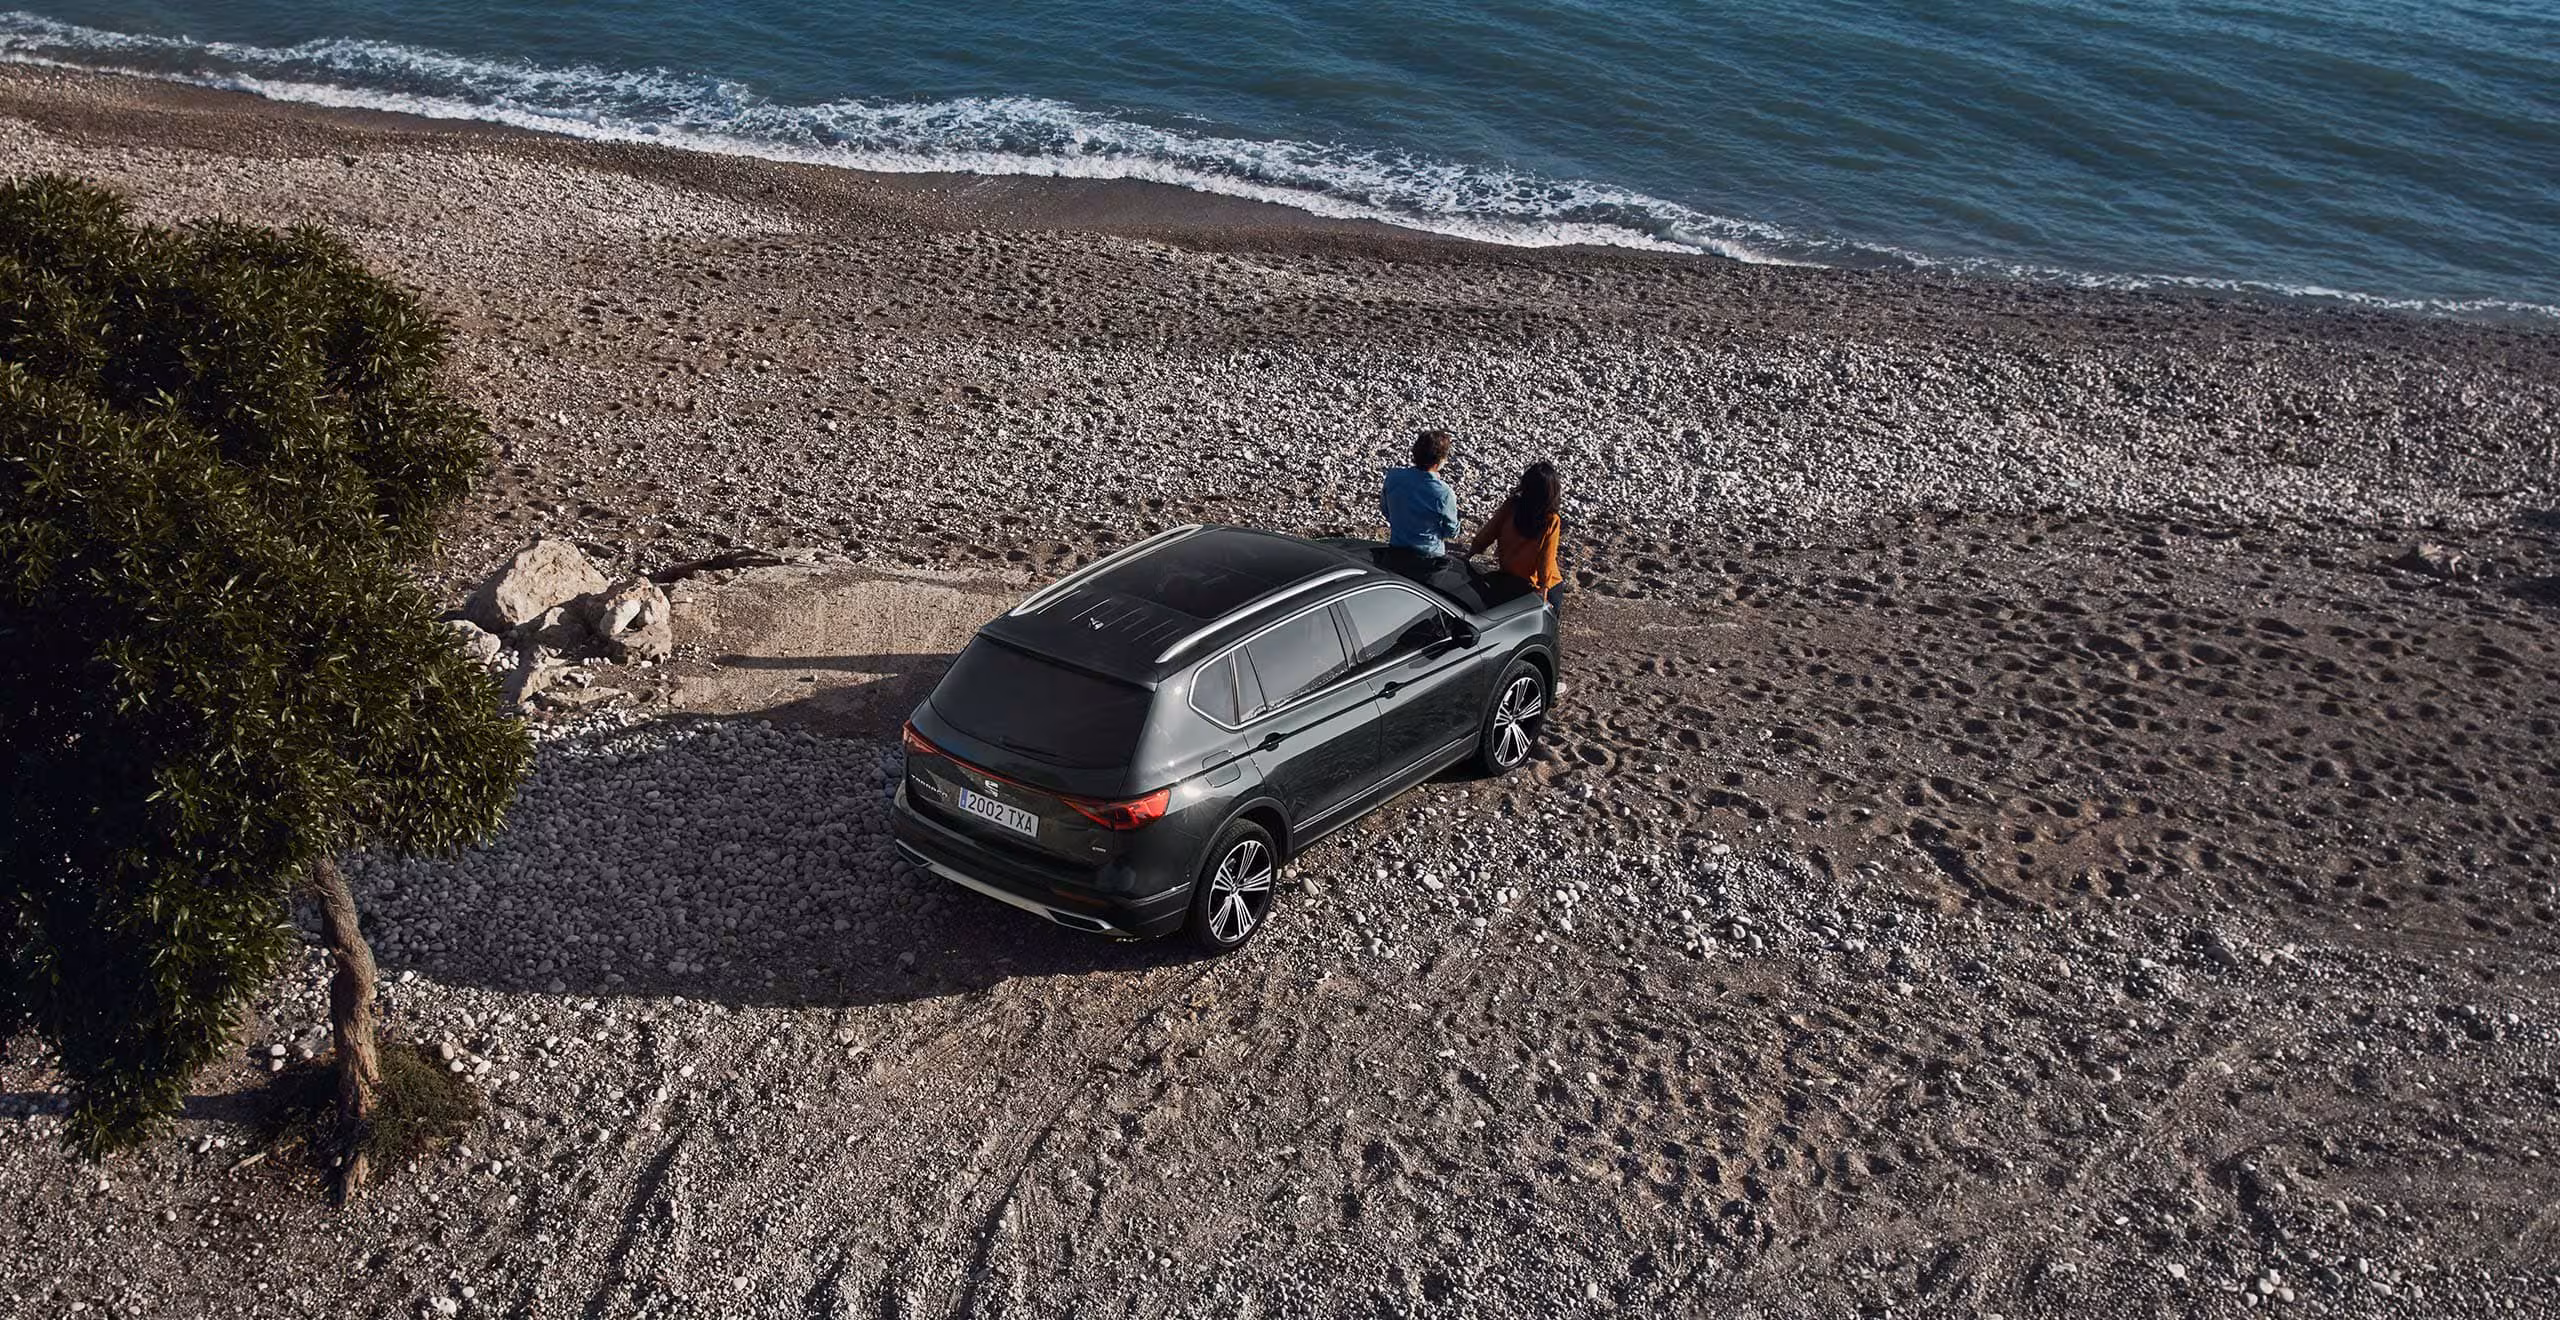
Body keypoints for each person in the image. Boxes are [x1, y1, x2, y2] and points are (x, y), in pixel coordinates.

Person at [1467, 461, 1567, 690]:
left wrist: (1471, 553)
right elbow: (1546, 558)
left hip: (1508, 577)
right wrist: (1542, 590)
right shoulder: (1551, 520)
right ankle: (1550, 684)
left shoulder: (1512, 506)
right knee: (1547, 636)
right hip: (1541, 586)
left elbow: (1488, 533)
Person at [1379, 429, 1460, 583]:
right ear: (1440, 461)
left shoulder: (1394, 477)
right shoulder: (1443, 492)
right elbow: (1451, 531)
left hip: (1395, 554)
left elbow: (1385, 509)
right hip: (1428, 561)